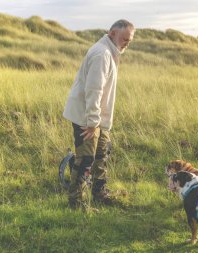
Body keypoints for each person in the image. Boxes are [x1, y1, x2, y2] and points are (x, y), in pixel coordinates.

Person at [63, 20, 135, 210]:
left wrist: (100, 122)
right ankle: (76, 204)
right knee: (86, 159)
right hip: (86, 119)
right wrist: (93, 122)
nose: (127, 42)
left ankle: (99, 194)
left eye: (130, 40)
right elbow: (93, 90)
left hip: (98, 119)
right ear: (112, 33)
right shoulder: (102, 54)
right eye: (124, 38)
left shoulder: (110, 52)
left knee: (102, 153)